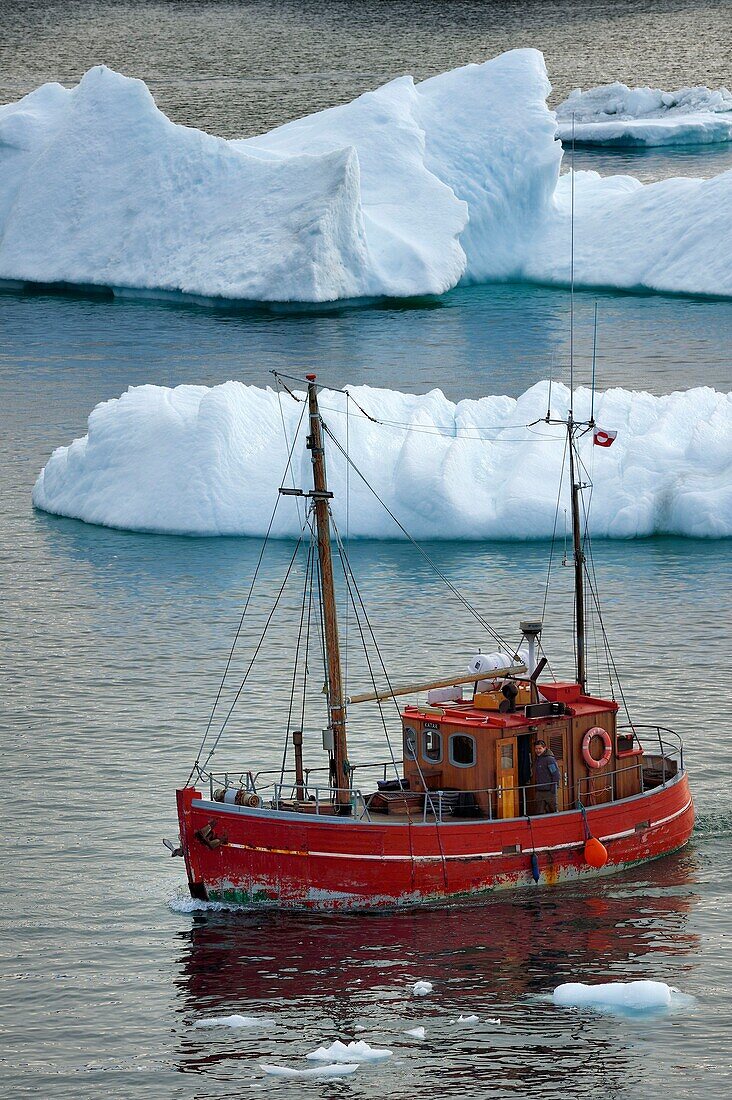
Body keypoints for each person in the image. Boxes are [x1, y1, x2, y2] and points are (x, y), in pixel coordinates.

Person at [533, 739, 560, 814]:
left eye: (540, 748)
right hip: (539, 791)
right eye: (536, 749)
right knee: (539, 812)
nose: (538, 750)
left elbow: (556, 774)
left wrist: (553, 789)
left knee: (553, 811)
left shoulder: (549, 760)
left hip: (549, 791)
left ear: (544, 748)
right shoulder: (537, 759)